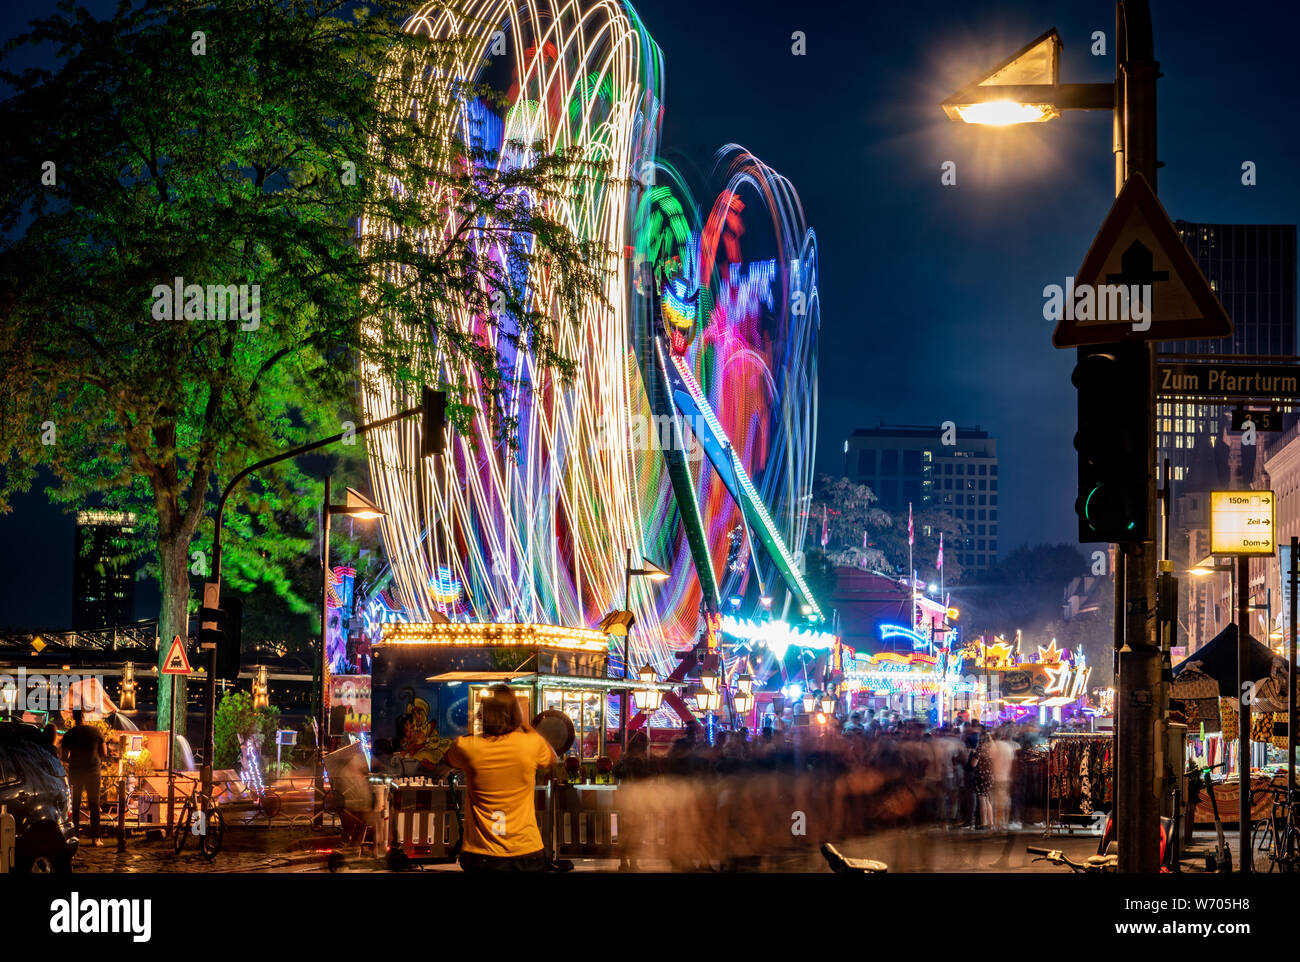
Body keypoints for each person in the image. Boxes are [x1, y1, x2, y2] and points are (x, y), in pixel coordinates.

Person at [444, 685, 557, 872]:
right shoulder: (531, 744)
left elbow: (447, 758)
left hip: (481, 855)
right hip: (527, 852)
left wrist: (476, 731)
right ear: (515, 713)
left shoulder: (467, 746)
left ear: (483, 713)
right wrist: (526, 725)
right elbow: (553, 758)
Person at [61, 709, 107, 845]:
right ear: (84, 717)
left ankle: (75, 836)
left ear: (74, 718)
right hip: (93, 772)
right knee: (94, 804)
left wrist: (74, 761)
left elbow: (63, 756)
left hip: (76, 772)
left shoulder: (69, 734)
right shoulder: (96, 731)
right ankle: (96, 838)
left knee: (75, 805)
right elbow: (104, 752)